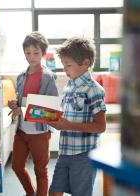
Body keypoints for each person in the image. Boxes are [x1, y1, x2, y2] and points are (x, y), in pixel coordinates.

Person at [48, 36, 106, 196]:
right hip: (65, 152)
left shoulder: (94, 90)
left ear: (86, 63)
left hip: (83, 156)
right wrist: (51, 119)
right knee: (53, 192)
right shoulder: (69, 85)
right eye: (63, 65)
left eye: (68, 65)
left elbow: (101, 126)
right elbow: (65, 117)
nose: (65, 69)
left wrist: (68, 125)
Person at [8, 31, 58, 196]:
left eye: (36, 53)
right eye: (28, 53)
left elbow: (52, 111)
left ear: (43, 53)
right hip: (22, 131)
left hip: (40, 132)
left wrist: (21, 109)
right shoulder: (21, 76)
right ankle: (31, 192)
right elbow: (22, 99)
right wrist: (15, 103)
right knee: (16, 165)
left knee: (40, 170)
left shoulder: (49, 77)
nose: (32, 56)